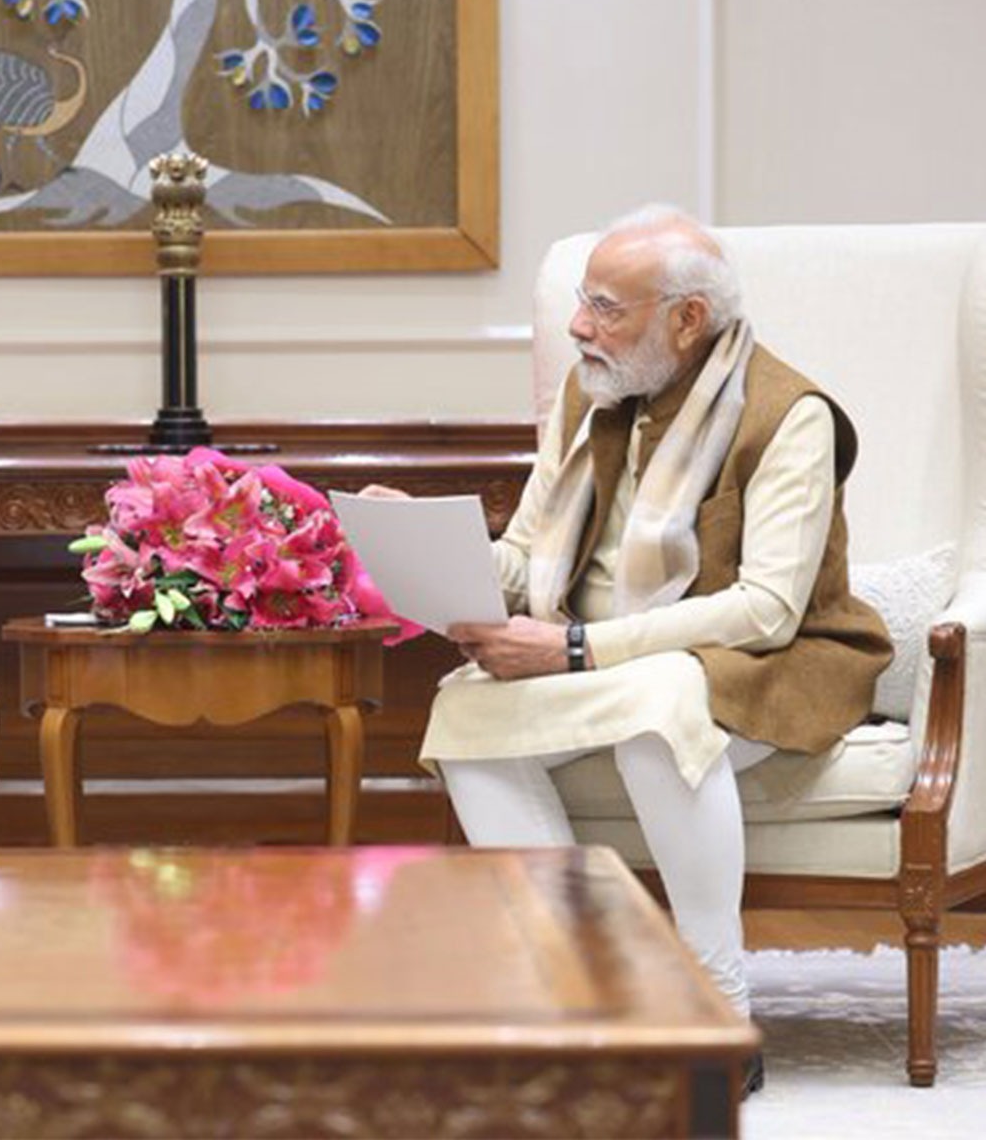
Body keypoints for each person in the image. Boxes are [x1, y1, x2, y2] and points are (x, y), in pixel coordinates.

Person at [369, 205, 891, 1094]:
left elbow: (766, 611)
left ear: (687, 320)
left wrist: (575, 648)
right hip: (597, 658)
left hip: (768, 664)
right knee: (465, 711)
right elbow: (528, 556)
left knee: (658, 712)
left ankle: (716, 1013)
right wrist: (428, 543)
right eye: (582, 301)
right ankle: (584, 993)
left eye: (606, 308)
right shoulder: (592, 395)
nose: (579, 327)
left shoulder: (789, 415)